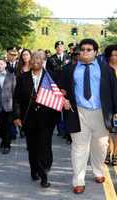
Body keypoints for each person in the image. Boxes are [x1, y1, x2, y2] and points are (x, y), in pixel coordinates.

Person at [62, 38, 117, 194]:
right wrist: (63, 98)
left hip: (101, 113)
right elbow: (61, 89)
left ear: (96, 52)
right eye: (83, 49)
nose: (85, 52)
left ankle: (98, 171)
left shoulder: (106, 70)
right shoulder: (69, 70)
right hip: (78, 112)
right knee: (79, 148)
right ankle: (78, 180)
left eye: (88, 50)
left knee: (100, 147)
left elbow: (114, 91)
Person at [13, 51, 60, 188]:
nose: (35, 61)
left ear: (44, 60)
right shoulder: (22, 78)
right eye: (33, 58)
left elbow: (58, 95)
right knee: (32, 147)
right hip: (28, 119)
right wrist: (16, 116)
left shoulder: (51, 77)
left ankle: (44, 174)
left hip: (47, 120)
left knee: (44, 147)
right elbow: (16, 99)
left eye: (39, 58)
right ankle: (34, 169)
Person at [0, 58, 16, 154]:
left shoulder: (11, 76)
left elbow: (14, 91)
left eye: (1, 64)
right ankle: (4, 140)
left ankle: (7, 145)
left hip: (9, 105)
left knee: (7, 126)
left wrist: (15, 106)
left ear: (5, 65)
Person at [104, 44, 117, 166]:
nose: (115, 57)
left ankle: (116, 154)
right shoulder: (105, 70)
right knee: (109, 131)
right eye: (113, 55)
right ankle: (108, 152)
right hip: (109, 105)